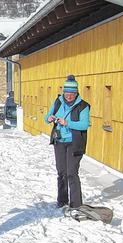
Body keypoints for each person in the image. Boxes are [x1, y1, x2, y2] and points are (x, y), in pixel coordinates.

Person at [45, 75, 90, 208]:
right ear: (63, 92)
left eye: (72, 94)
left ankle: (76, 204)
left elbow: (84, 125)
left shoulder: (83, 106)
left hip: (74, 143)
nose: (69, 96)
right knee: (61, 172)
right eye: (67, 93)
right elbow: (46, 117)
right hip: (59, 141)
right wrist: (50, 118)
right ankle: (62, 201)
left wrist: (67, 123)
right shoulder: (58, 102)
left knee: (72, 173)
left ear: (76, 93)